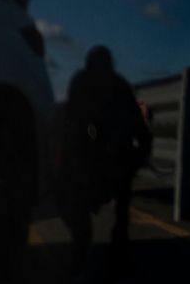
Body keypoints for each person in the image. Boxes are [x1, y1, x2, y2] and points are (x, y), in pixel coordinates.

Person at [64, 45, 155, 260]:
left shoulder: (92, 83)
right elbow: (76, 125)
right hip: (101, 157)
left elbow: (73, 124)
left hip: (108, 158)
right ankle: (111, 244)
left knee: (78, 198)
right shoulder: (111, 84)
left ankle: (101, 245)